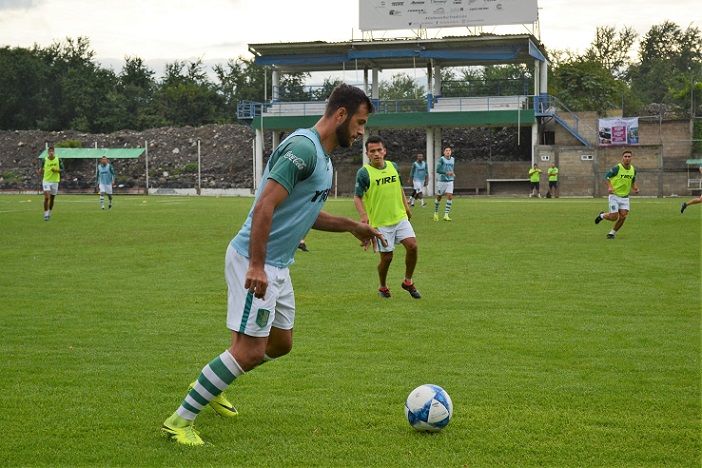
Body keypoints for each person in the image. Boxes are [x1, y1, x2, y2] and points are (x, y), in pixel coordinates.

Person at [161, 83, 385, 446]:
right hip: (256, 260)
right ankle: (179, 420)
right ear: (341, 115)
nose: (361, 133)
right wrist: (257, 267)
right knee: (248, 350)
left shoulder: (324, 161)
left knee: (280, 344)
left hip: (278, 263)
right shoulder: (302, 148)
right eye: (359, 123)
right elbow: (265, 205)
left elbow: (305, 214)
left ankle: (214, 382)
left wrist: (353, 227)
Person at [353, 135, 421, 299]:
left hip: (399, 217)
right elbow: (357, 197)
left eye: (379, 150)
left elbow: (399, 188)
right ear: (367, 154)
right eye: (372, 151)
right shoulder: (364, 173)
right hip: (380, 223)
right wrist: (364, 218)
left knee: (413, 246)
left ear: (384, 151)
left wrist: (406, 207)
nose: (376, 153)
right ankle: (383, 286)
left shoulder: (393, 166)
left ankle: (408, 281)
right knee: (387, 258)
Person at [594, 149, 639, 239]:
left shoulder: (633, 170)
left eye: (629, 156)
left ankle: (612, 233)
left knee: (623, 217)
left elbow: (632, 180)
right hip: (614, 196)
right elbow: (607, 176)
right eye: (625, 156)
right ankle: (602, 215)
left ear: (631, 158)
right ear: (622, 158)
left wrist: (635, 188)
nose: (627, 158)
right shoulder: (617, 168)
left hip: (625, 198)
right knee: (614, 217)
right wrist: (610, 187)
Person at [37, 145, 64, 221]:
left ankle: (49, 212)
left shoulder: (58, 159)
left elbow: (63, 169)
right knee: (46, 197)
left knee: (52, 199)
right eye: (50, 151)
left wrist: (57, 170)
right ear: (48, 153)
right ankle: (45, 214)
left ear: (54, 152)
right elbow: (42, 169)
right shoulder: (44, 160)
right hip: (46, 180)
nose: (51, 152)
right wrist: (40, 171)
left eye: (52, 151)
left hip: (55, 181)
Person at [433, 146, 455, 221]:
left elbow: (451, 169)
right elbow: (438, 170)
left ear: (451, 152)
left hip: (450, 181)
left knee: (450, 196)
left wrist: (452, 173)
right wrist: (446, 173)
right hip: (441, 181)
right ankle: (436, 212)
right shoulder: (441, 159)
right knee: (439, 197)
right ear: (444, 152)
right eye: (446, 150)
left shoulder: (452, 159)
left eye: (449, 150)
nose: (448, 152)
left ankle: (446, 215)